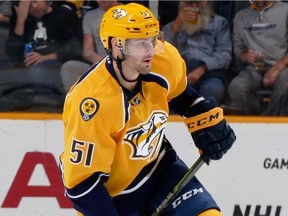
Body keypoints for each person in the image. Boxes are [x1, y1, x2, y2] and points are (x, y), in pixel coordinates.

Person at [59, 3, 236, 215]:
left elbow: (180, 93)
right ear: (117, 45)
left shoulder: (163, 60)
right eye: (141, 43)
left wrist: (200, 113)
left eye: (153, 40)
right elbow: (82, 184)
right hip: (114, 198)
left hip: (161, 170)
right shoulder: (91, 102)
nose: (151, 50)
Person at [4, 0, 82, 96]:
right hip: (26, 65)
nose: (34, 7)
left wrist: (46, 57)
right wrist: (21, 20)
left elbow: (75, 47)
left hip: (56, 64)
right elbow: (12, 53)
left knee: (38, 72)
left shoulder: (63, 15)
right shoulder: (22, 20)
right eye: (28, 5)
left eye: (35, 2)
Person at [162, 0, 232, 104]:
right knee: (166, 89)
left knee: (213, 90)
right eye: (189, 3)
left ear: (206, 3)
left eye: (198, 3)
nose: (194, 7)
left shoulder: (219, 23)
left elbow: (225, 54)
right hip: (180, 74)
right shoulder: (173, 25)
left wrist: (202, 69)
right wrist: (177, 25)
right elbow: (160, 51)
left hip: (208, 73)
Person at [228, 0, 288, 115]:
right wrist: (245, 56)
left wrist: (277, 68)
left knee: (285, 83)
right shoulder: (241, 16)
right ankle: (255, 120)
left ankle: (269, 121)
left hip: (282, 65)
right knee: (237, 87)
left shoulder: (285, 10)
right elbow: (238, 49)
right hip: (253, 68)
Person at [60, 0, 120, 93]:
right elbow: (87, 51)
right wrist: (104, 64)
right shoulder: (90, 16)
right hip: (101, 64)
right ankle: (76, 104)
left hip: (125, 64)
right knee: (69, 67)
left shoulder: (129, 12)